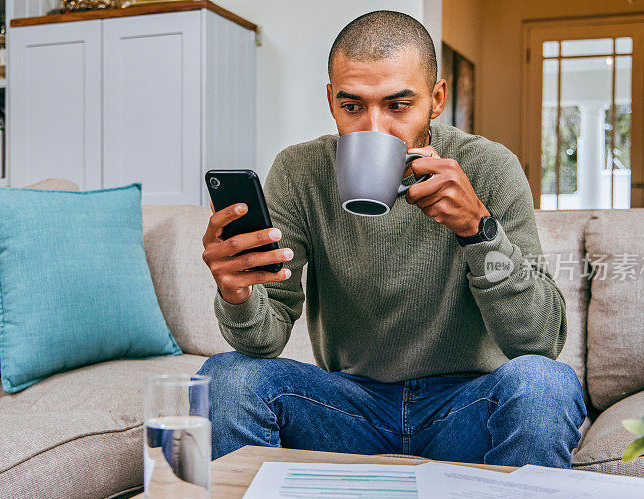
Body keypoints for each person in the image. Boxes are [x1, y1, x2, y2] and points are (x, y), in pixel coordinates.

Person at [198, 10, 586, 467]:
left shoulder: (488, 167)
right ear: (331, 101)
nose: (374, 128)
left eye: (398, 106)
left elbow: (540, 341)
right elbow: (264, 342)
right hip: (345, 409)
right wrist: (236, 293)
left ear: (436, 99)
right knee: (224, 377)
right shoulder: (301, 172)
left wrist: (478, 230)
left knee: (546, 383)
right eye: (352, 106)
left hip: (463, 408)